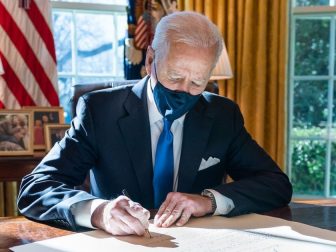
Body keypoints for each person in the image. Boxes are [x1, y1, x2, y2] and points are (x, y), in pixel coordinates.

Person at [17, 11, 292, 236]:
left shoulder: (222, 115)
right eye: (174, 76)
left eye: (197, 82)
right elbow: (36, 187)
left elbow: (275, 184)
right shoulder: (99, 111)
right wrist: (98, 211)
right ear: (150, 60)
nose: (184, 90)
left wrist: (209, 200)